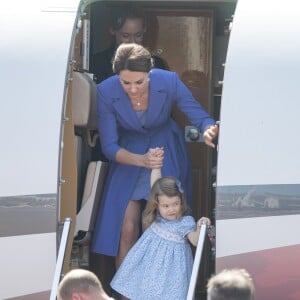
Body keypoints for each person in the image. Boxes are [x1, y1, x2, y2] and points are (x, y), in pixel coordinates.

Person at [91, 43, 218, 270]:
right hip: (127, 156)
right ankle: (126, 294)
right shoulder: (106, 90)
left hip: (165, 150)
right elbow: (109, 145)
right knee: (126, 230)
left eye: (139, 82)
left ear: (149, 73)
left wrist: (208, 128)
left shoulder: (168, 80)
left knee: (158, 228)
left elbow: (198, 114)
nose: (132, 89)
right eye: (125, 82)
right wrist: (141, 160)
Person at [110, 148, 211, 299]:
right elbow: (155, 183)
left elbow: (195, 241)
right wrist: (156, 166)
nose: (171, 209)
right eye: (166, 206)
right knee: (147, 291)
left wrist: (200, 226)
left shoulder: (185, 222)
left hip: (173, 272)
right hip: (151, 267)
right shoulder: (158, 217)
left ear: (181, 201)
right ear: (157, 204)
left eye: (175, 204)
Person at [90, 4, 168, 83]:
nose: (132, 42)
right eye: (125, 36)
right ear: (112, 30)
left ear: (144, 30)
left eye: (138, 35)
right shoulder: (96, 64)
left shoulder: (157, 65)